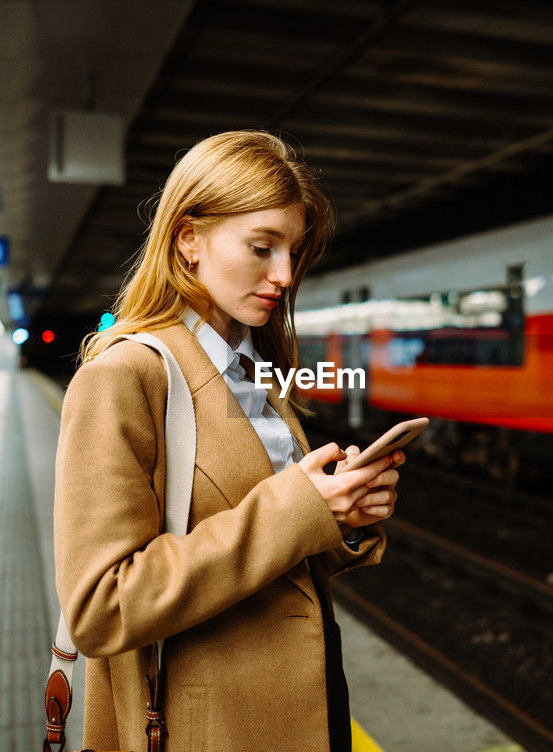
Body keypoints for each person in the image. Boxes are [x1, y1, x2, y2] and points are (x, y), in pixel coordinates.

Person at [54, 131, 402, 752]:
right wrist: (301, 505)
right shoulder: (123, 378)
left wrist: (340, 516)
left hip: (308, 710)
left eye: (294, 251)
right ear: (189, 238)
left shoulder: (254, 370)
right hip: (206, 728)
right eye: (262, 247)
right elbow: (100, 605)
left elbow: (281, 549)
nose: (285, 275)